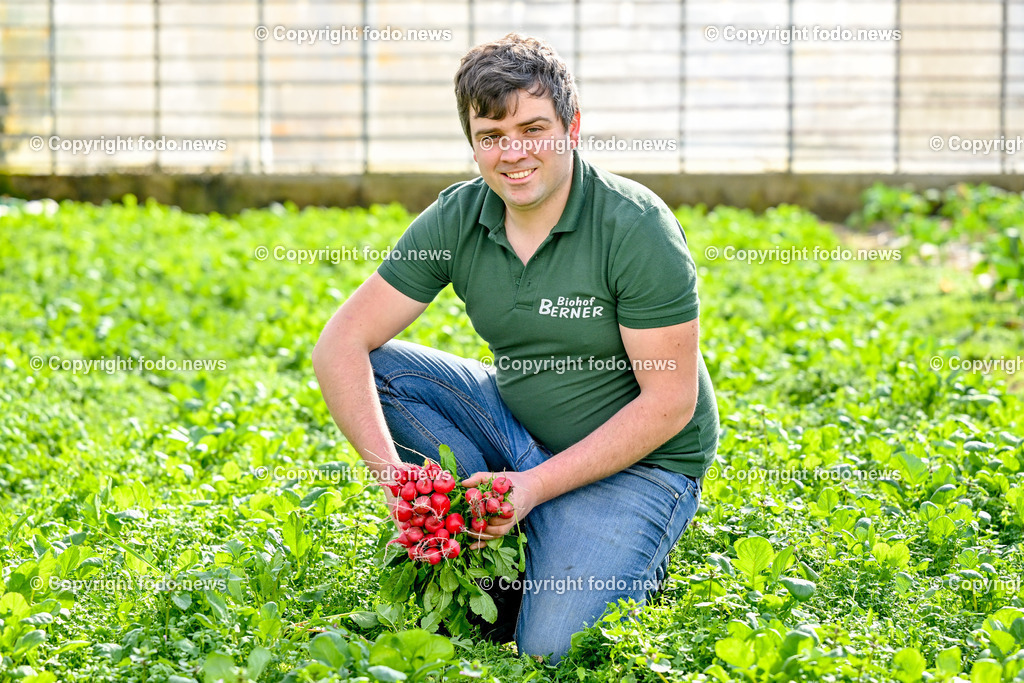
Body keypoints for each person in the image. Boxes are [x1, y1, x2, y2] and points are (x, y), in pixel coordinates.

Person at [311, 32, 718, 664]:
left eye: (533, 128)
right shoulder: (459, 217)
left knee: (552, 649)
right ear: (472, 141)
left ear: (572, 126)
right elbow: (342, 342)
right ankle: (491, 531)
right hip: (518, 420)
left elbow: (670, 404)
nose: (514, 153)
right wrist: (397, 483)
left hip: (641, 461)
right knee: (385, 372)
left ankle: (593, 536)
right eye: (492, 136)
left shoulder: (635, 226)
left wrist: (530, 487)